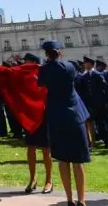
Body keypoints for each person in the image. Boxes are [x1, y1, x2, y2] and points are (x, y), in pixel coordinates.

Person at [38, 40, 89, 206]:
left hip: (56, 117)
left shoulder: (44, 69)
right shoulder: (70, 67)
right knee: (78, 160)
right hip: (75, 116)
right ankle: (82, 199)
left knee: (62, 159)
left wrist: (46, 63)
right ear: (60, 52)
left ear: (46, 54)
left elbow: (41, 83)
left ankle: (69, 198)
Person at [21, 54, 54, 195]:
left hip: (44, 115)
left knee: (46, 149)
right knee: (30, 148)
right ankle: (33, 178)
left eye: (27, 62)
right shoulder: (24, 77)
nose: (24, 65)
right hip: (30, 116)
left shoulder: (44, 74)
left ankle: (49, 180)